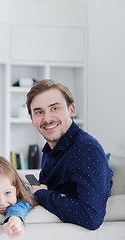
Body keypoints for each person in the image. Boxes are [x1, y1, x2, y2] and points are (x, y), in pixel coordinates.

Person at [26, 79, 113, 230]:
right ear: (32, 120)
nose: (47, 119)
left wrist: (43, 195)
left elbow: (91, 216)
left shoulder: (86, 150)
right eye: (39, 112)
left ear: (71, 110)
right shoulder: (50, 149)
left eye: (54, 108)